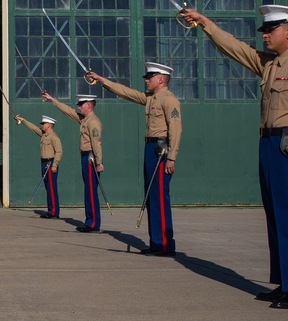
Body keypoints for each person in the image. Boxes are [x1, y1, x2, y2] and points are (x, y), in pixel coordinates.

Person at [181, 4, 288, 309]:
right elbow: (234, 48)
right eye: (264, 30)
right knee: (276, 217)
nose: (264, 36)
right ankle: (285, 282)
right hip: (268, 146)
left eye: (270, 30)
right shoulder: (271, 65)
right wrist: (204, 22)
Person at [87, 63, 181, 256]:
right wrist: (102, 80)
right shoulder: (150, 98)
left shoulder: (169, 100)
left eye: (150, 77)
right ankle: (156, 241)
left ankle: (164, 243)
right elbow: (127, 93)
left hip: (161, 150)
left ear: (161, 79)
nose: (146, 80)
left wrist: (172, 156)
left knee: (159, 197)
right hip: (150, 147)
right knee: (151, 197)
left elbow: (176, 129)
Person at [43, 92, 103, 231]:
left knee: (91, 191)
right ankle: (90, 221)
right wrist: (53, 99)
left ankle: (93, 223)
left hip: (90, 157)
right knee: (88, 190)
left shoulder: (92, 121)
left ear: (89, 105)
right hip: (85, 157)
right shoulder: (85, 120)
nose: (79, 107)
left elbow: (96, 142)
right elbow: (68, 111)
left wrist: (99, 162)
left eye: (81, 104)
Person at [14, 114, 63, 218]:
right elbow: (33, 128)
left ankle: (54, 212)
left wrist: (55, 164)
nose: (42, 125)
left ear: (49, 125)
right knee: (47, 187)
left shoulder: (54, 137)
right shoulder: (44, 135)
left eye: (43, 124)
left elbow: (59, 152)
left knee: (51, 188)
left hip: (50, 163)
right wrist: (23, 120)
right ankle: (50, 210)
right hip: (44, 162)